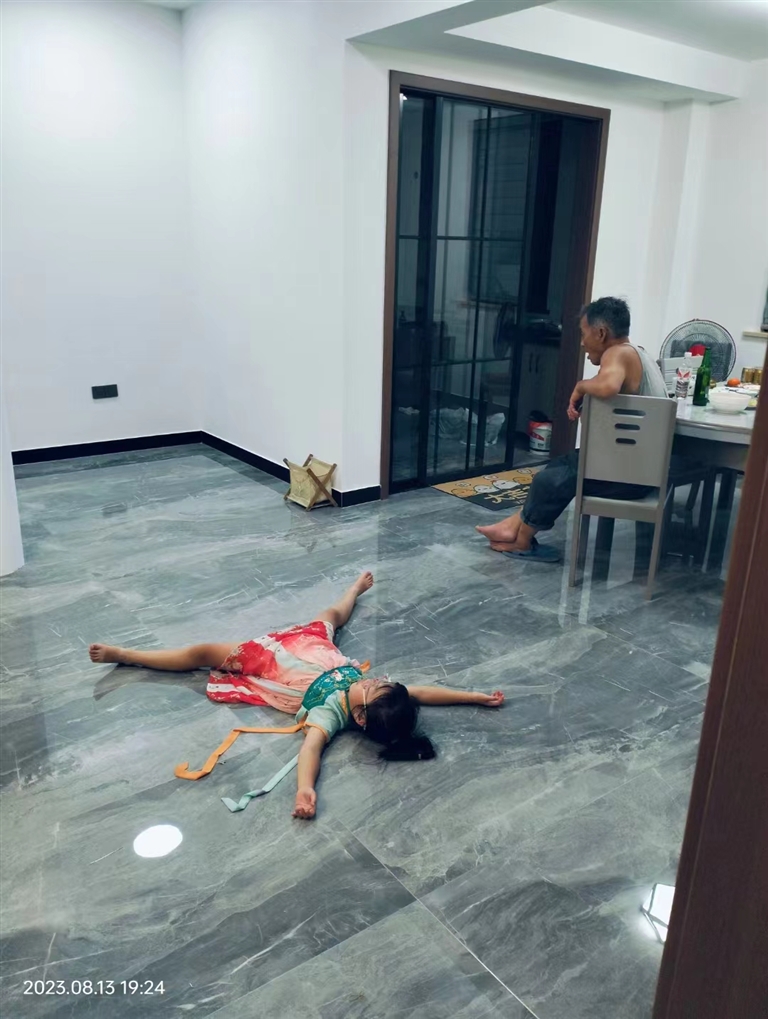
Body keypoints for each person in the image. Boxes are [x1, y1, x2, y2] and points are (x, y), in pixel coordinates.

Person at [89, 572, 504, 820]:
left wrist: (305, 789)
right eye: (380, 681)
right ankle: (354, 589)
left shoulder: (331, 712)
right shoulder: (380, 698)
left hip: (270, 663)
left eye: (371, 685)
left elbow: (311, 750)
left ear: (360, 718)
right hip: (314, 647)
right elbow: (423, 693)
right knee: (331, 615)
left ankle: (126, 654)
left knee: (201, 653)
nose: (375, 679)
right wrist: (474, 696)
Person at [477, 297, 668, 562]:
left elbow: (608, 386)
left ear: (601, 333)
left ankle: (521, 541)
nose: (581, 342)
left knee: (551, 479)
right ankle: (512, 526)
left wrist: (579, 386)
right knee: (560, 466)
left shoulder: (618, 353)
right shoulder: (640, 353)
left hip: (628, 479)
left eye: (583, 333)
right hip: (643, 472)